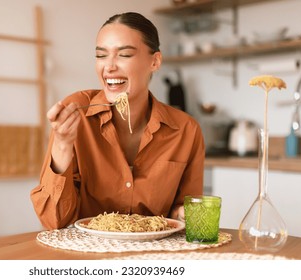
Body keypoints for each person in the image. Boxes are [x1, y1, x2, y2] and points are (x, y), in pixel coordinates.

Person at [30, 12, 205, 230]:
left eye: (124, 55)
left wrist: (184, 214)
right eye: (101, 56)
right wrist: (62, 145)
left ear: (155, 61)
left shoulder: (186, 130)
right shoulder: (77, 115)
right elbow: (54, 222)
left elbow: (184, 211)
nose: (109, 67)